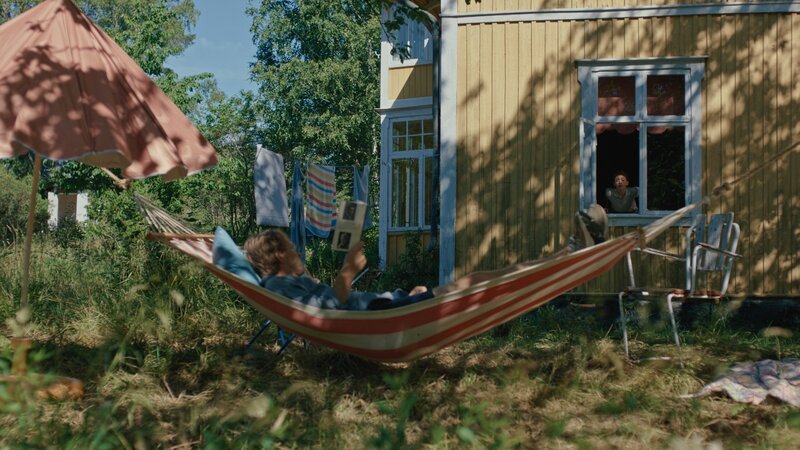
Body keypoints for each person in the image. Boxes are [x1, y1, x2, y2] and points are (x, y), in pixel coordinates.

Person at [243, 206, 608, 310]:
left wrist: (401, 295)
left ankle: (568, 253)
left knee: (485, 277)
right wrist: (348, 272)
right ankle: (569, 254)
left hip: (391, 307)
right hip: (386, 315)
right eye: (291, 249)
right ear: (277, 256)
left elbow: (334, 305)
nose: (297, 251)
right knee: (484, 280)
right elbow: (329, 308)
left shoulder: (286, 284)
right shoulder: (279, 284)